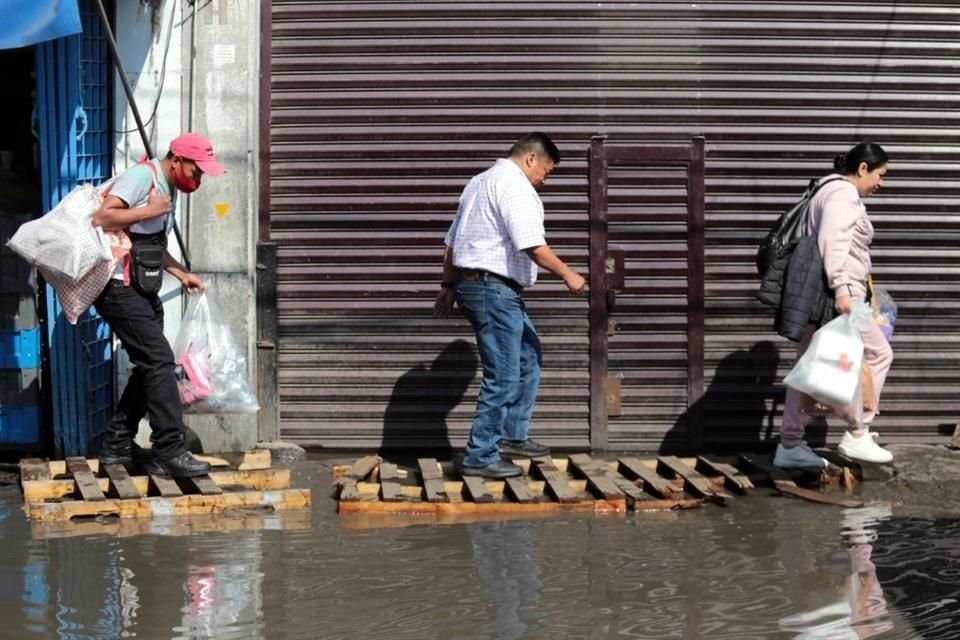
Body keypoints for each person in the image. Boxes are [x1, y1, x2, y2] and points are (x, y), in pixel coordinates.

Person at [433, 132, 586, 479]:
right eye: (546, 171)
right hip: (492, 289)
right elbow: (531, 243)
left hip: (484, 287)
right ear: (531, 159)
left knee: (528, 356)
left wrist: (447, 285)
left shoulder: (479, 182)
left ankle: (511, 436)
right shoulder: (515, 186)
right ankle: (480, 455)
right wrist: (568, 274)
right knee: (502, 374)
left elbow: (451, 244)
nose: (545, 180)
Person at [91, 133, 225, 477]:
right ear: (177, 160)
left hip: (141, 285)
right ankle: (169, 450)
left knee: (151, 364)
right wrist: (149, 210)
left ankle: (117, 444)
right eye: (196, 171)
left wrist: (180, 273)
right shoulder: (142, 177)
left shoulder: (169, 188)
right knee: (159, 362)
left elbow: (145, 242)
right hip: (117, 286)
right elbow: (103, 218)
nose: (198, 178)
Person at [775, 142, 894, 469]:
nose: (881, 184)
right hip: (841, 295)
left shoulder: (824, 189)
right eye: (881, 175)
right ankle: (858, 433)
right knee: (879, 353)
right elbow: (834, 242)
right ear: (862, 169)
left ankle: (789, 443)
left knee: (808, 368)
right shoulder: (843, 195)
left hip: (822, 294)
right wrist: (843, 290)